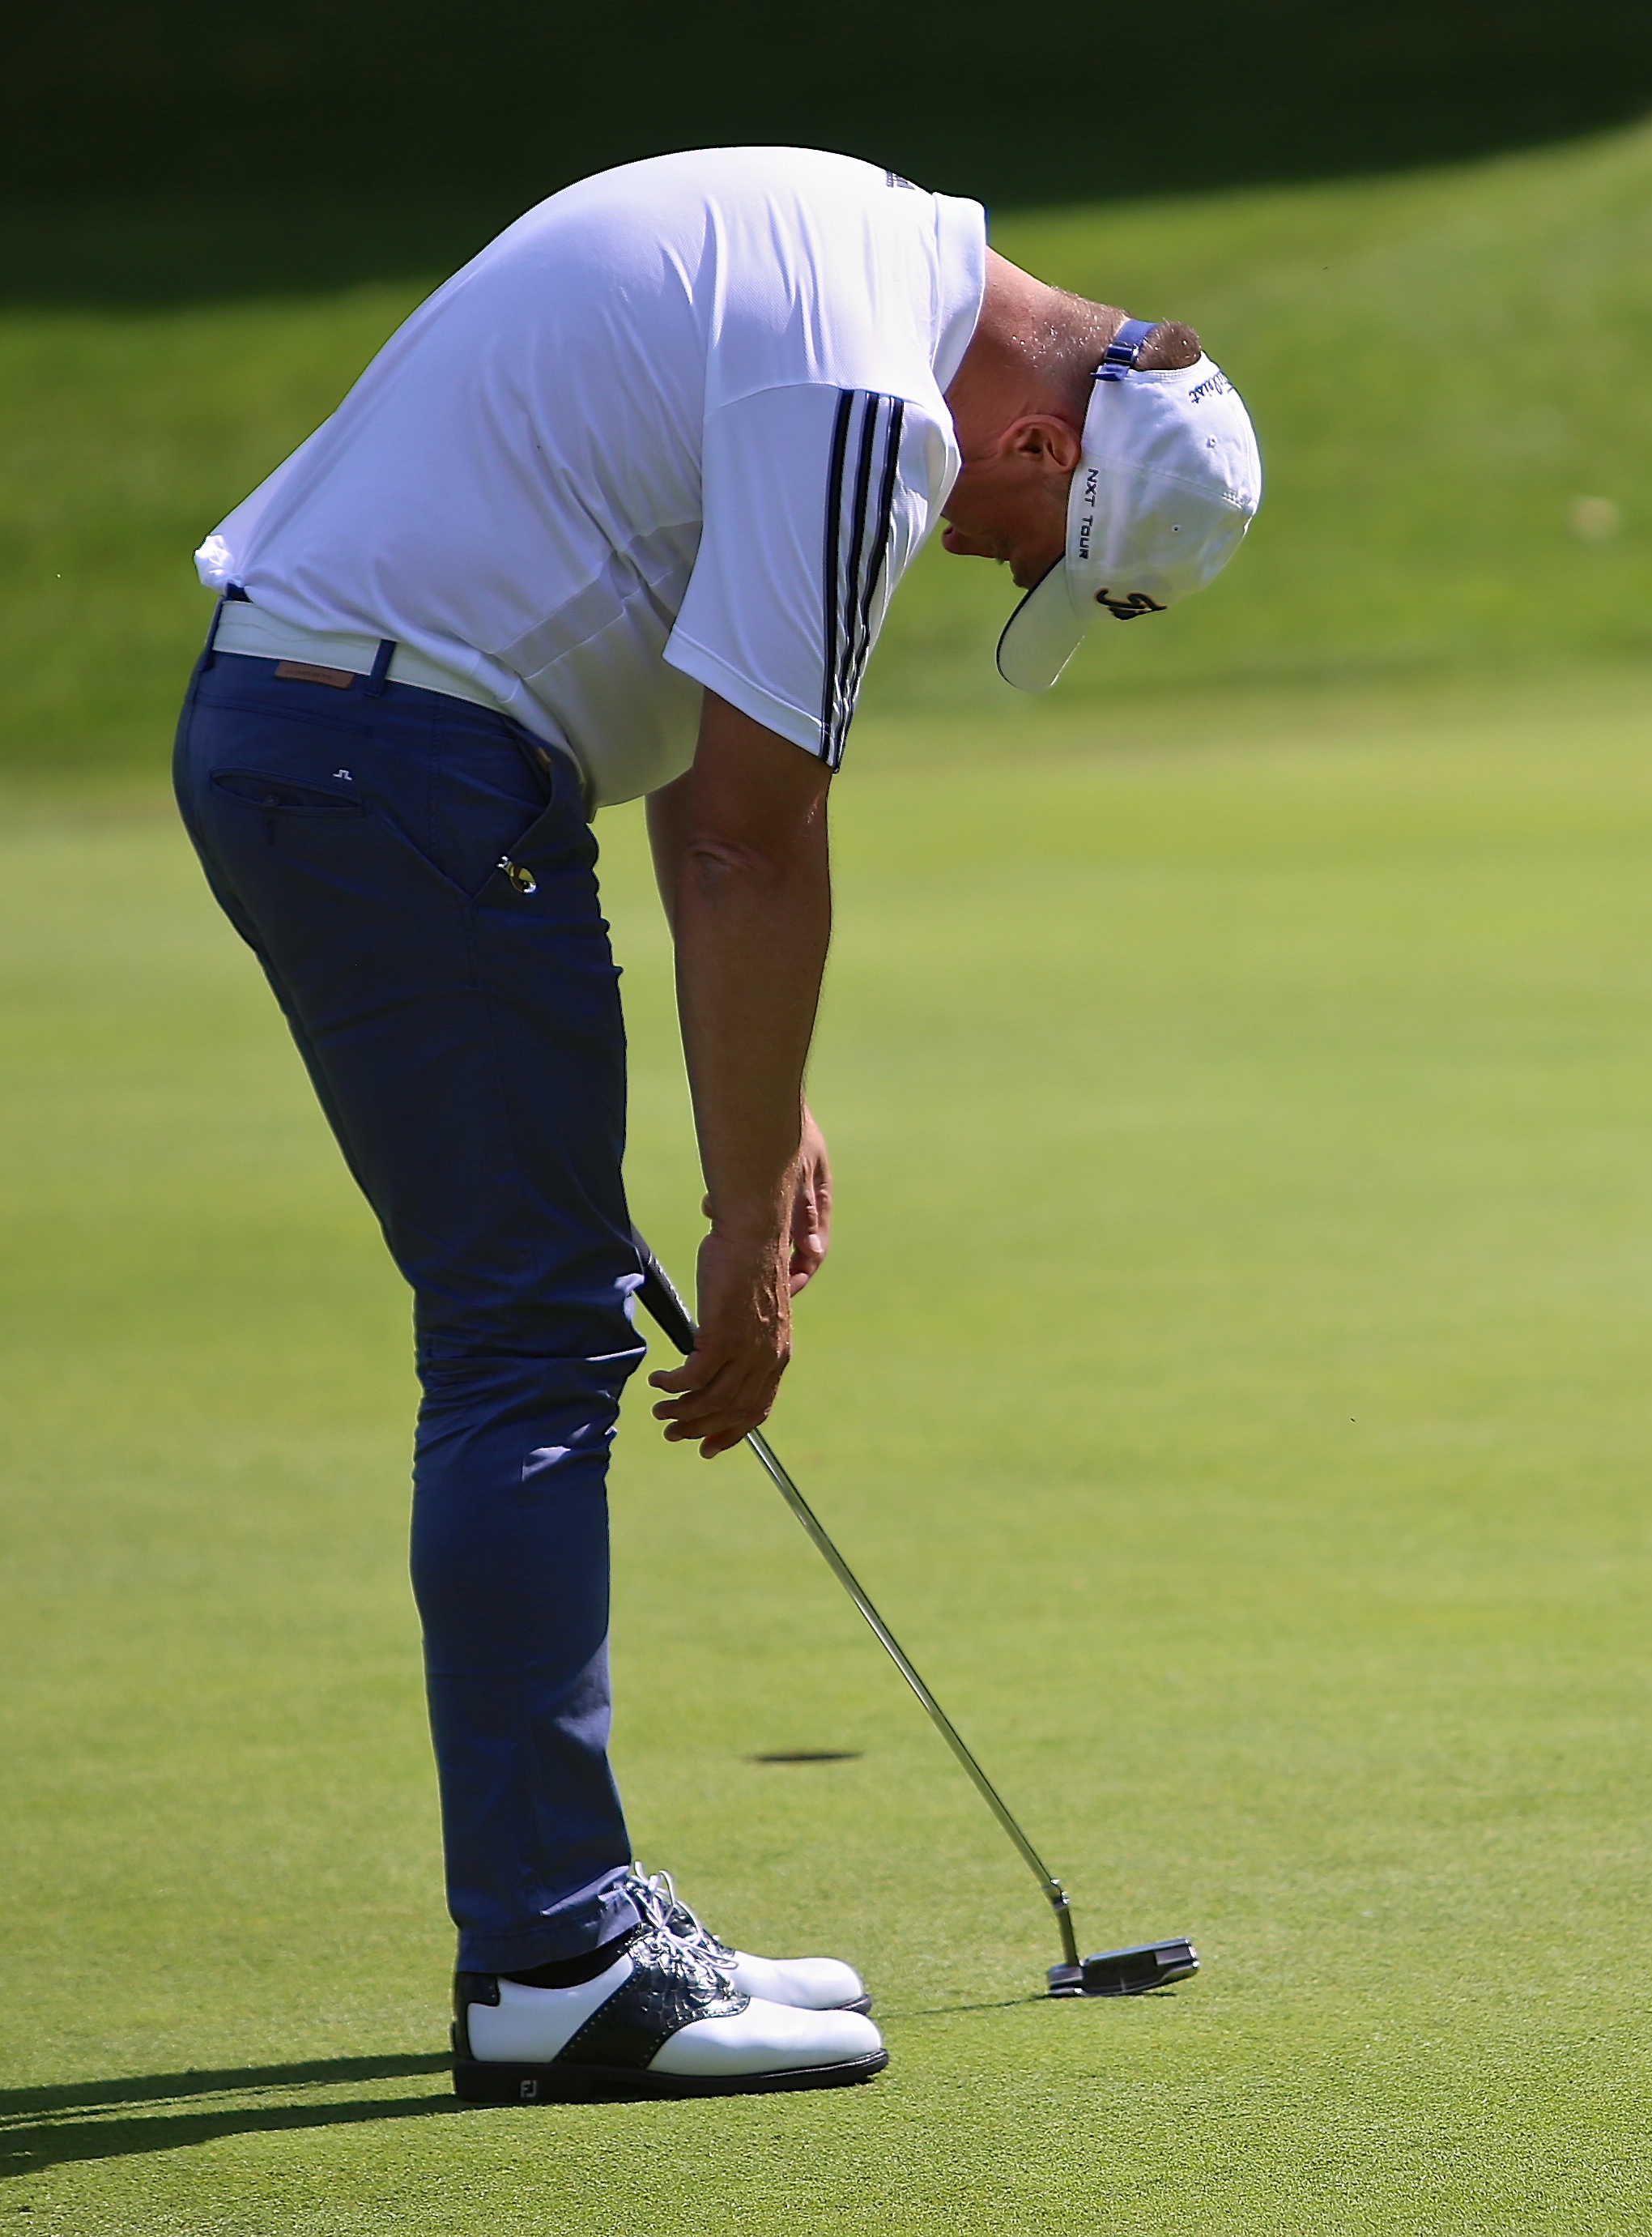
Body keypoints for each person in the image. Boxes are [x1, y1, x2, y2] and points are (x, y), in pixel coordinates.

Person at [171, 146, 1261, 2101]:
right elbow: (758, 843)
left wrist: (770, 1105)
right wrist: (745, 1212)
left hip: (351, 734)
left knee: (526, 1326)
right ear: (1040, 440)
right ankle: (553, 1962)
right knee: (527, 1339)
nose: (983, 559)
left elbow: (707, 749)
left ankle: (574, 1912)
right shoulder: (867, 400)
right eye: (1023, 547)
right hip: (394, 760)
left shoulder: (850, 253)